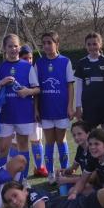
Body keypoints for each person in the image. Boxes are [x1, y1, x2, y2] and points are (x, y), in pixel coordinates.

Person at [0, 34, 40, 178]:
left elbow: (37, 89)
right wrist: (1, 83)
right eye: (9, 46)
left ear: (19, 47)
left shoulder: (28, 67)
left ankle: (23, 179)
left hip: (24, 113)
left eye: (15, 46)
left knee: (23, 146)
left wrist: (27, 91)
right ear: (4, 48)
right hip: (5, 114)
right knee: (3, 148)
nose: (13, 49)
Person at [35, 31, 74, 177]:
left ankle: (64, 172)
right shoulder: (38, 63)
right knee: (49, 142)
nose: (46, 45)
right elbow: (36, 89)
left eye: (49, 42)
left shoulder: (65, 61)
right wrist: (36, 109)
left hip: (61, 109)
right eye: (44, 43)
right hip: (45, 110)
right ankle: (51, 173)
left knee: (61, 140)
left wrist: (70, 106)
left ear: (57, 44)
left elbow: (70, 86)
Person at [74, 32, 104, 129]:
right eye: (89, 44)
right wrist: (78, 107)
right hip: (88, 106)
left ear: (100, 44)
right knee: (90, 136)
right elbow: (78, 88)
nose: (92, 47)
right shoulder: (81, 63)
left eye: (95, 44)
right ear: (85, 46)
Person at [18, 45, 46, 177]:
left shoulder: (34, 71)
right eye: (25, 58)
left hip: (33, 111)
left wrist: (36, 110)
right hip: (18, 114)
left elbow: (37, 93)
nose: (28, 60)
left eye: (30, 58)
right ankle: (19, 172)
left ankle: (39, 168)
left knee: (36, 139)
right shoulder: (15, 71)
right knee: (17, 143)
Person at [50, 121, 95, 193]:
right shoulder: (80, 148)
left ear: (88, 134)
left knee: (72, 190)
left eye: (79, 134)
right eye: (74, 135)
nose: (76, 137)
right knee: (63, 179)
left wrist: (67, 180)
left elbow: (92, 178)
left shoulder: (94, 150)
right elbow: (73, 169)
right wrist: (63, 171)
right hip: (85, 180)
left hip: (95, 184)